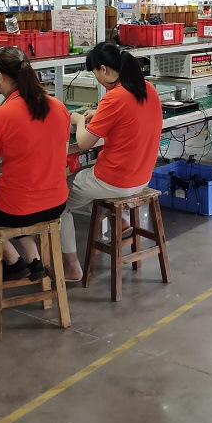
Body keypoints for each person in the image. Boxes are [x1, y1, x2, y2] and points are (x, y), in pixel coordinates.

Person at [65, 43, 163, 282]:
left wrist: (79, 121)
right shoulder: (147, 88)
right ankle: (120, 221)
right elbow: (126, 116)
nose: (97, 79)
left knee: (57, 201)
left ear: (104, 69)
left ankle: (72, 267)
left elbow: (84, 143)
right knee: (88, 183)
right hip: (142, 177)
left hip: (116, 180)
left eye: (95, 74)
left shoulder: (115, 97)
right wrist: (100, 113)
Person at [0, 47, 71, 281]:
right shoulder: (58, 107)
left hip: (17, 210)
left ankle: (13, 259)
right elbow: (62, 152)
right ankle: (33, 259)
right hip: (56, 204)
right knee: (13, 197)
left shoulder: (1, 116)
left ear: (0, 76)